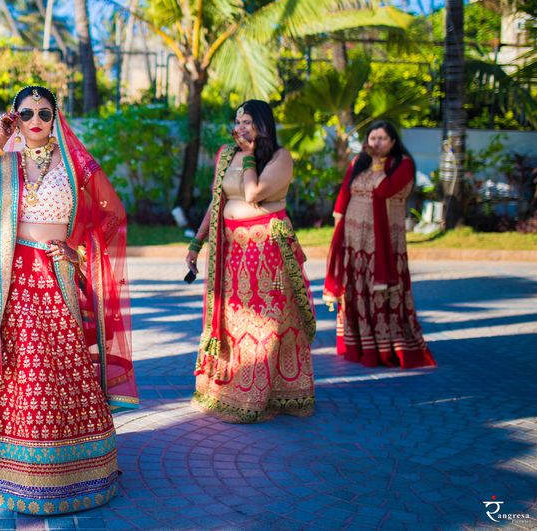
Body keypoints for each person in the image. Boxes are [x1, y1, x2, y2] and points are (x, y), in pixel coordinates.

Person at [0, 85, 138, 515]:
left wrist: (76, 250)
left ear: (55, 116)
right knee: (11, 364)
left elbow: (112, 214)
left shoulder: (76, 165)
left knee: (52, 367)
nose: (36, 120)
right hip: (6, 276)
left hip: (54, 274)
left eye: (45, 112)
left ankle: (64, 469)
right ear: (15, 118)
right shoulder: (6, 162)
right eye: (26, 113)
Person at [186, 100, 316, 423]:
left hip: (266, 253)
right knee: (233, 322)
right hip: (232, 253)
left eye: (247, 121)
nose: (241, 127)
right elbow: (217, 201)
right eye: (237, 121)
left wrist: (247, 157)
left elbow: (253, 193)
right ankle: (227, 391)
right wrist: (196, 242)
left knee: (264, 323)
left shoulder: (280, 158)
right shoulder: (225, 154)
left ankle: (259, 397)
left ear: (262, 124)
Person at [324, 121, 436, 368]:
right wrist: (338, 234)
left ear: (393, 142)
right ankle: (359, 346)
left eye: (382, 138)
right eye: (373, 138)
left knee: (381, 293)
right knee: (355, 289)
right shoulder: (359, 162)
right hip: (354, 240)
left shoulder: (402, 164)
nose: (376, 143)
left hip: (383, 243)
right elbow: (344, 196)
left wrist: (377, 165)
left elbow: (384, 190)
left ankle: (386, 349)